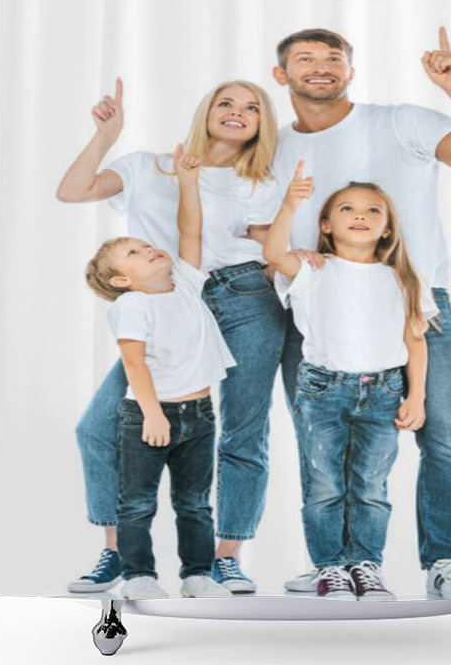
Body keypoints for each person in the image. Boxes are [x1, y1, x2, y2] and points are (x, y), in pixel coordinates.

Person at [271, 28, 451, 599]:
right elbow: (264, 231)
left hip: (418, 306)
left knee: (445, 435)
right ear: (281, 76)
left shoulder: (400, 122)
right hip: (319, 313)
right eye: (305, 59)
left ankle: (445, 562)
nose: (321, 67)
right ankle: (335, 563)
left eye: (334, 58)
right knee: (326, 453)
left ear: (350, 72)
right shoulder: (275, 147)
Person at [62, 79, 285, 595]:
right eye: (226, 102)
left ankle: (223, 558)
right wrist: (106, 135)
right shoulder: (145, 165)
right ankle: (119, 553)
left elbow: (273, 249)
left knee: (242, 434)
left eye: (252, 107)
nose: (237, 112)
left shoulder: (262, 180)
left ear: (261, 124)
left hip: (247, 298)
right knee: (98, 428)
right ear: (205, 109)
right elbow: (72, 191)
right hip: (166, 303)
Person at [264, 167, 438, 600]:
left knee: (371, 486)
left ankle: (365, 565)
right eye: (346, 208)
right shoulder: (313, 269)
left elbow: (415, 342)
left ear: (386, 228)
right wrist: (289, 205)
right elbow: (272, 253)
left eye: (372, 211)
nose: (359, 215)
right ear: (326, 224)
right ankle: (330, 569)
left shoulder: (404, 278)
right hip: (322, 391)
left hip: (384, 393)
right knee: (324, 484)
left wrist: (415, 396)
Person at [84, 149, 233, 598]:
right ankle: (139, 577)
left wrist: (188, 181)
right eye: (134, 252)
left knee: (193, 503)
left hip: (200, 414)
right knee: (138, 503)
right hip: (149, 417)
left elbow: (190, 229)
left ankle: (198, 575)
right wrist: (152, 414)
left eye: (145, 244)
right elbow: (134, 364)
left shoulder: (186, 282)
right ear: (121, 281)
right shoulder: (133, 306)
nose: (148, 248)